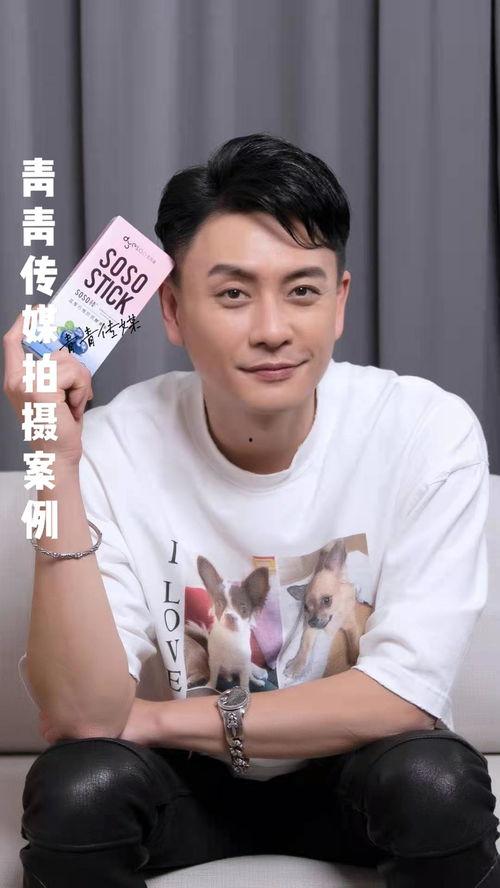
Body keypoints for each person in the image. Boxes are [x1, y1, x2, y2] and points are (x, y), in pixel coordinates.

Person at [4, 132, 499, 887]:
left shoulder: (426, 430)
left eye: (302, 291)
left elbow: (405, 695)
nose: (272, 329)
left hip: (360, 776)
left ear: (339, 302)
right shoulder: (115, 444)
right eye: (233, 294)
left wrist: (160, 719)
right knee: (78, 789)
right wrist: (55, 461)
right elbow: (80, 717)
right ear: (173, 309)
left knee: (436, 785)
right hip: (182, 786)